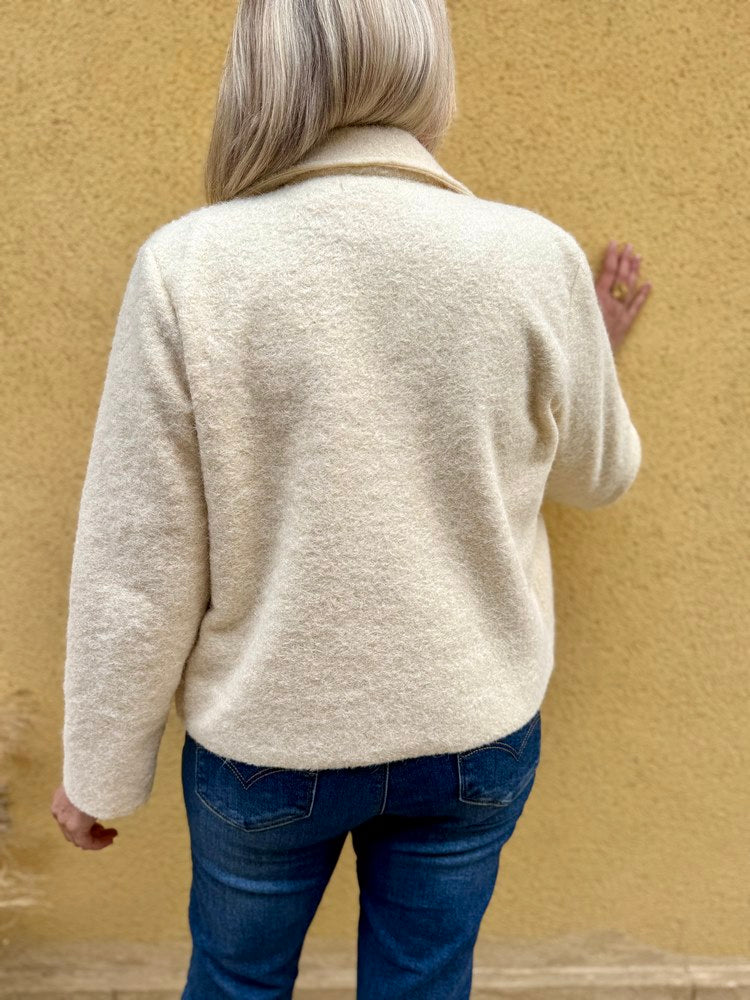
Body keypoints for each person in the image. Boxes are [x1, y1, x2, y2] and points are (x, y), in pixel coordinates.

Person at [51, 0, 652, 996]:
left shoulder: (189, 269)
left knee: (236, 982)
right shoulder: (533, 259)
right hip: (469, 730)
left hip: (268, 738)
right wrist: (586, 349)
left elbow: (139, 557)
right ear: (426, 61)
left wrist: (100, 769)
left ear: (263, 75)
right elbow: (601, 473)